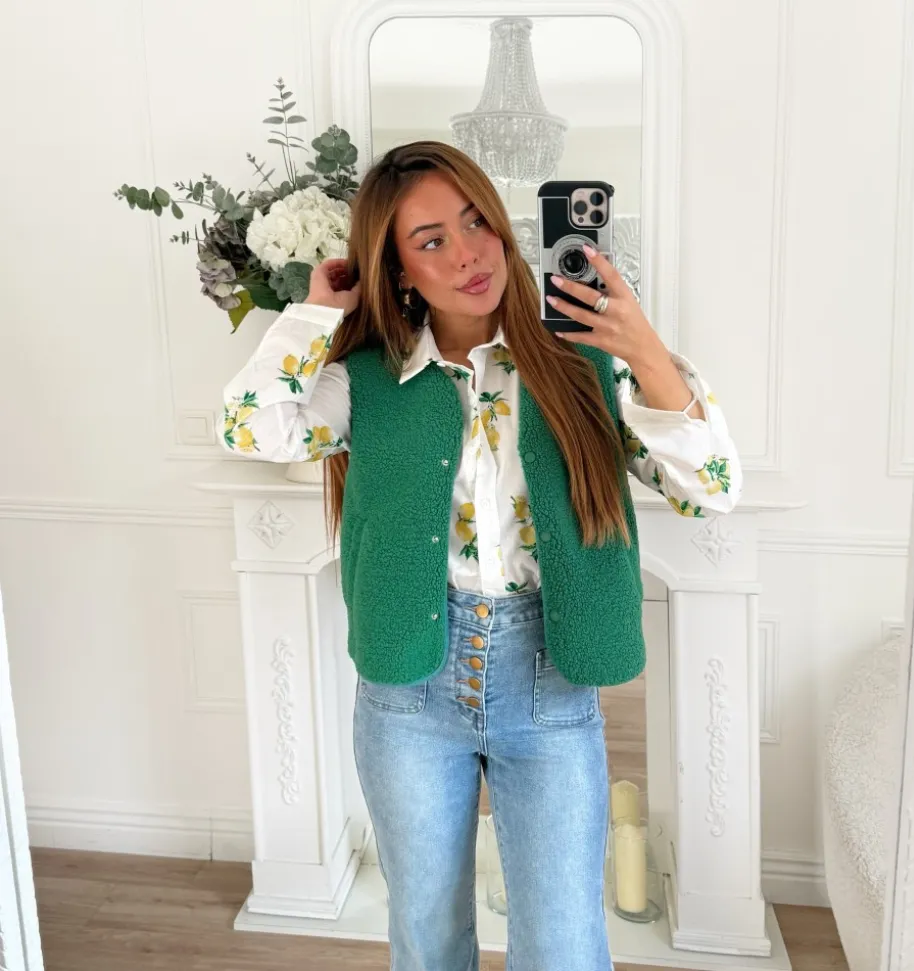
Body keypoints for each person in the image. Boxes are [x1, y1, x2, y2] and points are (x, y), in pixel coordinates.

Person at [221, 141, 741, 971]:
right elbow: (249, 427)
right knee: (428, 939)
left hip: (547, 678)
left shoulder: (584, 364)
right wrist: (317, 312)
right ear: (397, 270)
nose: (467, 254)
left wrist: (641, 345)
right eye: (430, 240)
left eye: (476, 223)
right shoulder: (368, 379)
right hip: (408, 692)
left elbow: (710, 486)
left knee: (564, 946)